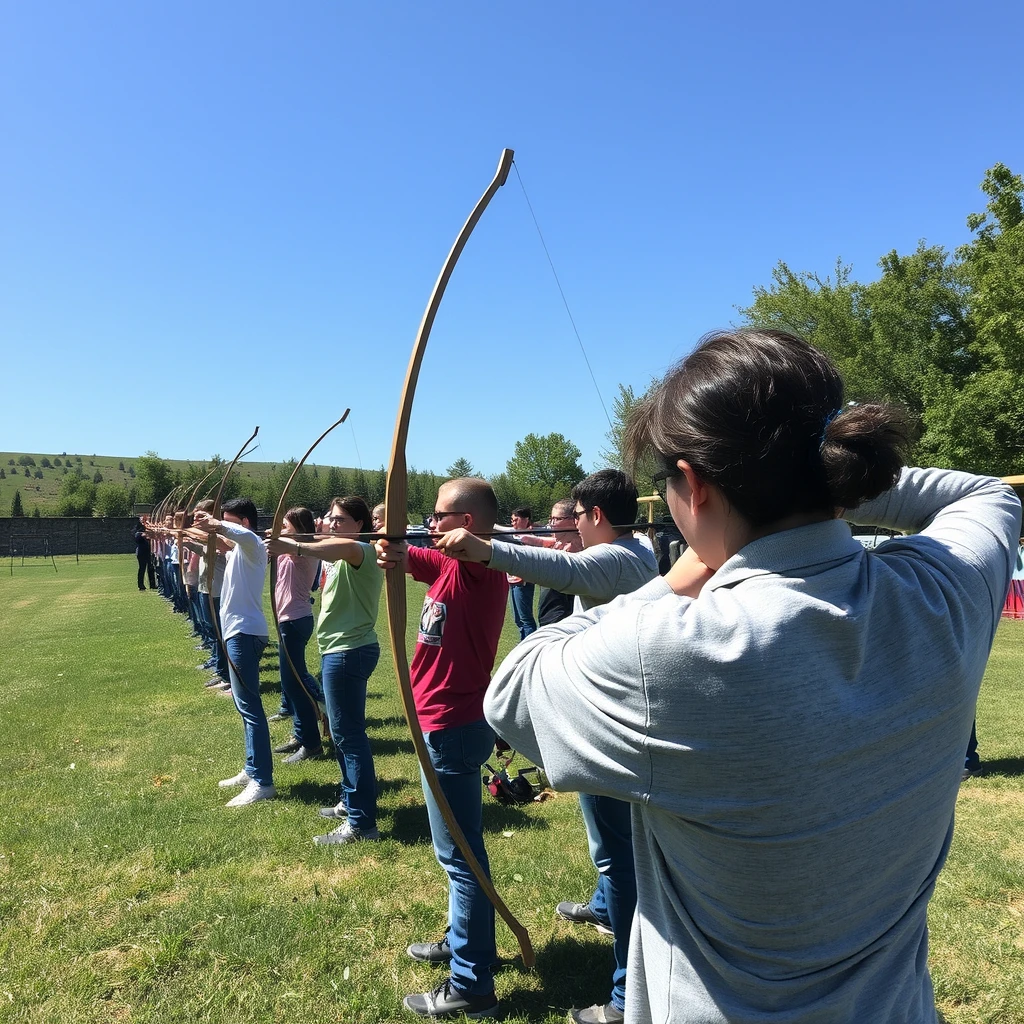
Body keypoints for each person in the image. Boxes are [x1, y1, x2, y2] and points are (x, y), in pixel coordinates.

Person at [480, 329, 1021, 1024]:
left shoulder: (665, 649)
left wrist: (668, 584)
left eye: (664, 484)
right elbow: (984, 495)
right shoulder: (942, 594)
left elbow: (514, 686)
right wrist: (820, 478)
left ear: (694, 485)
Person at [435, 470, 659, 1023]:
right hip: (604, 728)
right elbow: (555, 552)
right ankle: (606, 908)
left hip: (612, 734)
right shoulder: (624, 554)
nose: (571, 527)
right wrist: (517, 542)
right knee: (613, 852)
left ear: (598, 517)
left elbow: (566, 566)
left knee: (620, 857)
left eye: (577, 517)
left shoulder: (622, 560)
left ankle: (630, 996)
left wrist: (487, 550)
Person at [375, 477, 508, 1020]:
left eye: (439, 516)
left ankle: (472, 985)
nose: (430, 522)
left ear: (468, 523)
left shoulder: (479, 566)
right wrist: (393, 547)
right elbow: (413, 559)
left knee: (461, 857)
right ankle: (466, 943)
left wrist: (458, 544)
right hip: (444, 720)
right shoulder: (451, 565)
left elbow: (472, 554)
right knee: (462, 852)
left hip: (451, 723)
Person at [269, 496, 383, 843]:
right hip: (340, 650)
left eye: (341, 519)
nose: (333, 524)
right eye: (331, 518)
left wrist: (285, 542)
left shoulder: (359, 551)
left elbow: (329, 548)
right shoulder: (339, 550)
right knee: (343, 733)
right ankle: (350, 803)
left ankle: (362, 824)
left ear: (360, 525)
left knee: (349, 737)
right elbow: (320, 545)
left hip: (348, 652)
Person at [192, 497, 275, 808]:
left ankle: (262, 781)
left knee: (251, 709)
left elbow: (243, 536)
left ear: (243, 522)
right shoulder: (241, 549)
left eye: (228, 521)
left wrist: (216, 523)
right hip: (237, 632)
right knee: (245, 708)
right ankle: (253, 768)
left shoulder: (253, 545)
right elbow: (228, 541)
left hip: (245, 633)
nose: (223, 528)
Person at [267, 507, 325, 764]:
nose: (281, 530)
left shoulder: (304, 549)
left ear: (299, 529)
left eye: (286, 526)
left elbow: (287, 544)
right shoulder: (290, 547)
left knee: (294, 683)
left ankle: (312, 742)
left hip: (296, 620)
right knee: (293, 681)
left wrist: (277, 537)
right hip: (288, 619)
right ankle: (302, 735)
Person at [506, 506, 537, 640]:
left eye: (516, 520)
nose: (513, 523)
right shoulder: (514, 536)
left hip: (523, 582)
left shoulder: (530, 538)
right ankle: (522, 643)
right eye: (512, 520)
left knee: (526, 619)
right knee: (518, 620)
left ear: (526, 520)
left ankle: (530, 647)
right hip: (512, 581)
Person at [133, 518, 155, 590]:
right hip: (141, 552)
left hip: (150, 551)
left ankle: (152, 584)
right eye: (143, 521)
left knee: (151, 567)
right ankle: (141, 585)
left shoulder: (151, 529)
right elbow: (138, 538)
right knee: (142, 568)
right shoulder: (138, 531)